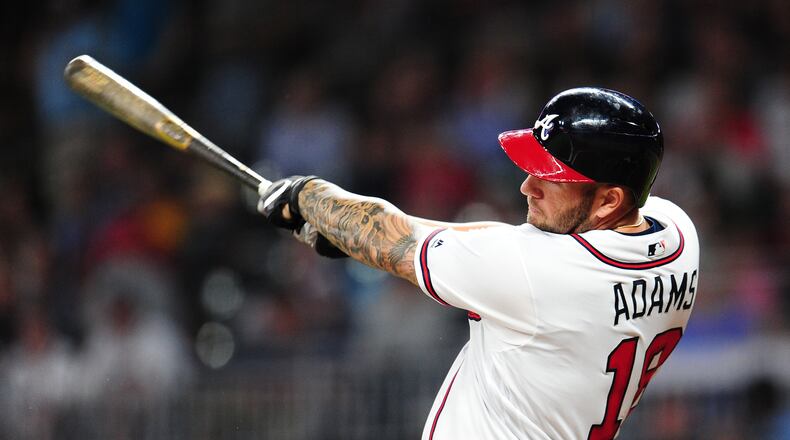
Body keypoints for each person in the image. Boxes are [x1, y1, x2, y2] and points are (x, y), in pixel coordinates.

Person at [257, 87, 700, 440]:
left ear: (608, 200)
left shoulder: (536, 274)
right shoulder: (678, 234)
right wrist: (348, 238)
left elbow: (399, 240)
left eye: (553, 179)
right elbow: (499, 245)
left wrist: (308, 196)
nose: (528, 187)